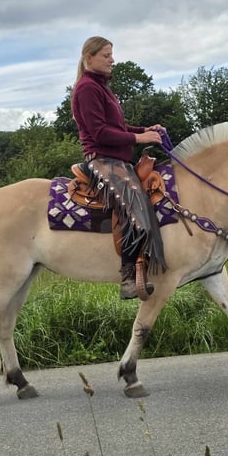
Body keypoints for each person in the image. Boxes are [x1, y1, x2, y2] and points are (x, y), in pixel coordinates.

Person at [71, 36, 168, 300]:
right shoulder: (87, 89)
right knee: (133, 205)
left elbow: (119, 128)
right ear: (88, 58)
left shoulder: (102, 87)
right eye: (106, 55)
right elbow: (100, 133)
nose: (112, 59)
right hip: (101, 159)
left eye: (111, 54)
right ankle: (127, 276)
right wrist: (139, 139)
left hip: (117, 160)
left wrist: (145, 130)